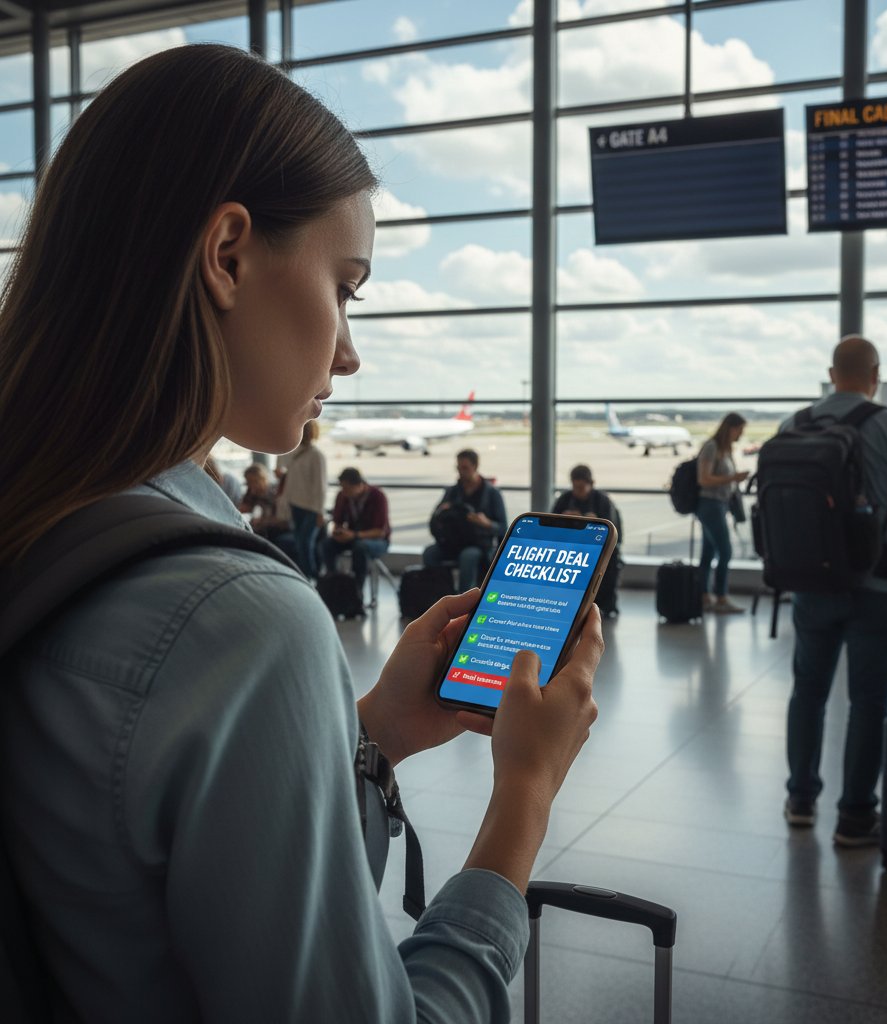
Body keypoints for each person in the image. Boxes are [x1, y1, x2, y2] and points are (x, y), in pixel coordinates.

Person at [0, 45, 602, 1023]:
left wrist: (366, 737)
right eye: (347, 284)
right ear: (227, 254)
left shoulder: (39, 516)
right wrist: (523, 800)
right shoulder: (236, 622)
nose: (351, 352)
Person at [782, 336, 887, 846]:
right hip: (879, 584)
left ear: (832, 374)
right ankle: (856, 816)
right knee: (868, 700)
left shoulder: (795, 424)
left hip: (811, 583)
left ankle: (800, 799)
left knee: (808, 693)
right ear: (875, 375)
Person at [423, 449, 507, 591]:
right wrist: (442, 511)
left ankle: (463, 599)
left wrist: (486, 523)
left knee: (468, 557)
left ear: (475, 466)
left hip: (478, 544)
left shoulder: (491, 493)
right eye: (458, 468)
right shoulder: (452, 492)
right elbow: (435, 518)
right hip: (452, 542)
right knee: (429, 554)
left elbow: (503, 527)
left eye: (465, 468)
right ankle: (441, 593)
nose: (461, 472)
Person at [552, 464, 623, 617]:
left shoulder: (602, 501)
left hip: (600, 548)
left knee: (606, 567)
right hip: (573, 547)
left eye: (582, 488)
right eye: (575, 487)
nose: (578, 492)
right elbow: (552, 525)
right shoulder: (565, 499)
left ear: (591, 484)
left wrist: (594, 522)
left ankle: (604, 607)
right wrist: (565, 517)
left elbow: (614, 532)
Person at [695, 412, 749, 613]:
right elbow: (704, 479)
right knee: (725, 551)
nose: (741, 435)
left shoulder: (725, 450)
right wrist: (733, 478)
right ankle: (721, 597)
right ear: (732, 428)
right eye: (740, 430)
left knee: (708, 552)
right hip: (710, 505)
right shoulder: (712, 447)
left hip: (719, 504)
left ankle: (704, 596)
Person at [322, 466, 391, 591]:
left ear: (359, 485)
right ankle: (332, 582)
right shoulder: (343, 496)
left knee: (360, 548)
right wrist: (338, 533)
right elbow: (337, 521)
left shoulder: (378, 496)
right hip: (352, 537)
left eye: (347, 489)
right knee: (327, 544)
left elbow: (380, 531)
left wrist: (354, 535)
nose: (344, 492)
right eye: (342, 488)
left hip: (376, 540)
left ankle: (357, 590)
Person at [284, 418, 328, 578]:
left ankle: (310, 577)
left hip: (311, 508)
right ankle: (307, 577)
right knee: (300, 544)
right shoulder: (294, 453)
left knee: (305, 544)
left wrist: (319, 511)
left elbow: (320, 486)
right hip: (296, 505)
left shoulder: (316, 455)